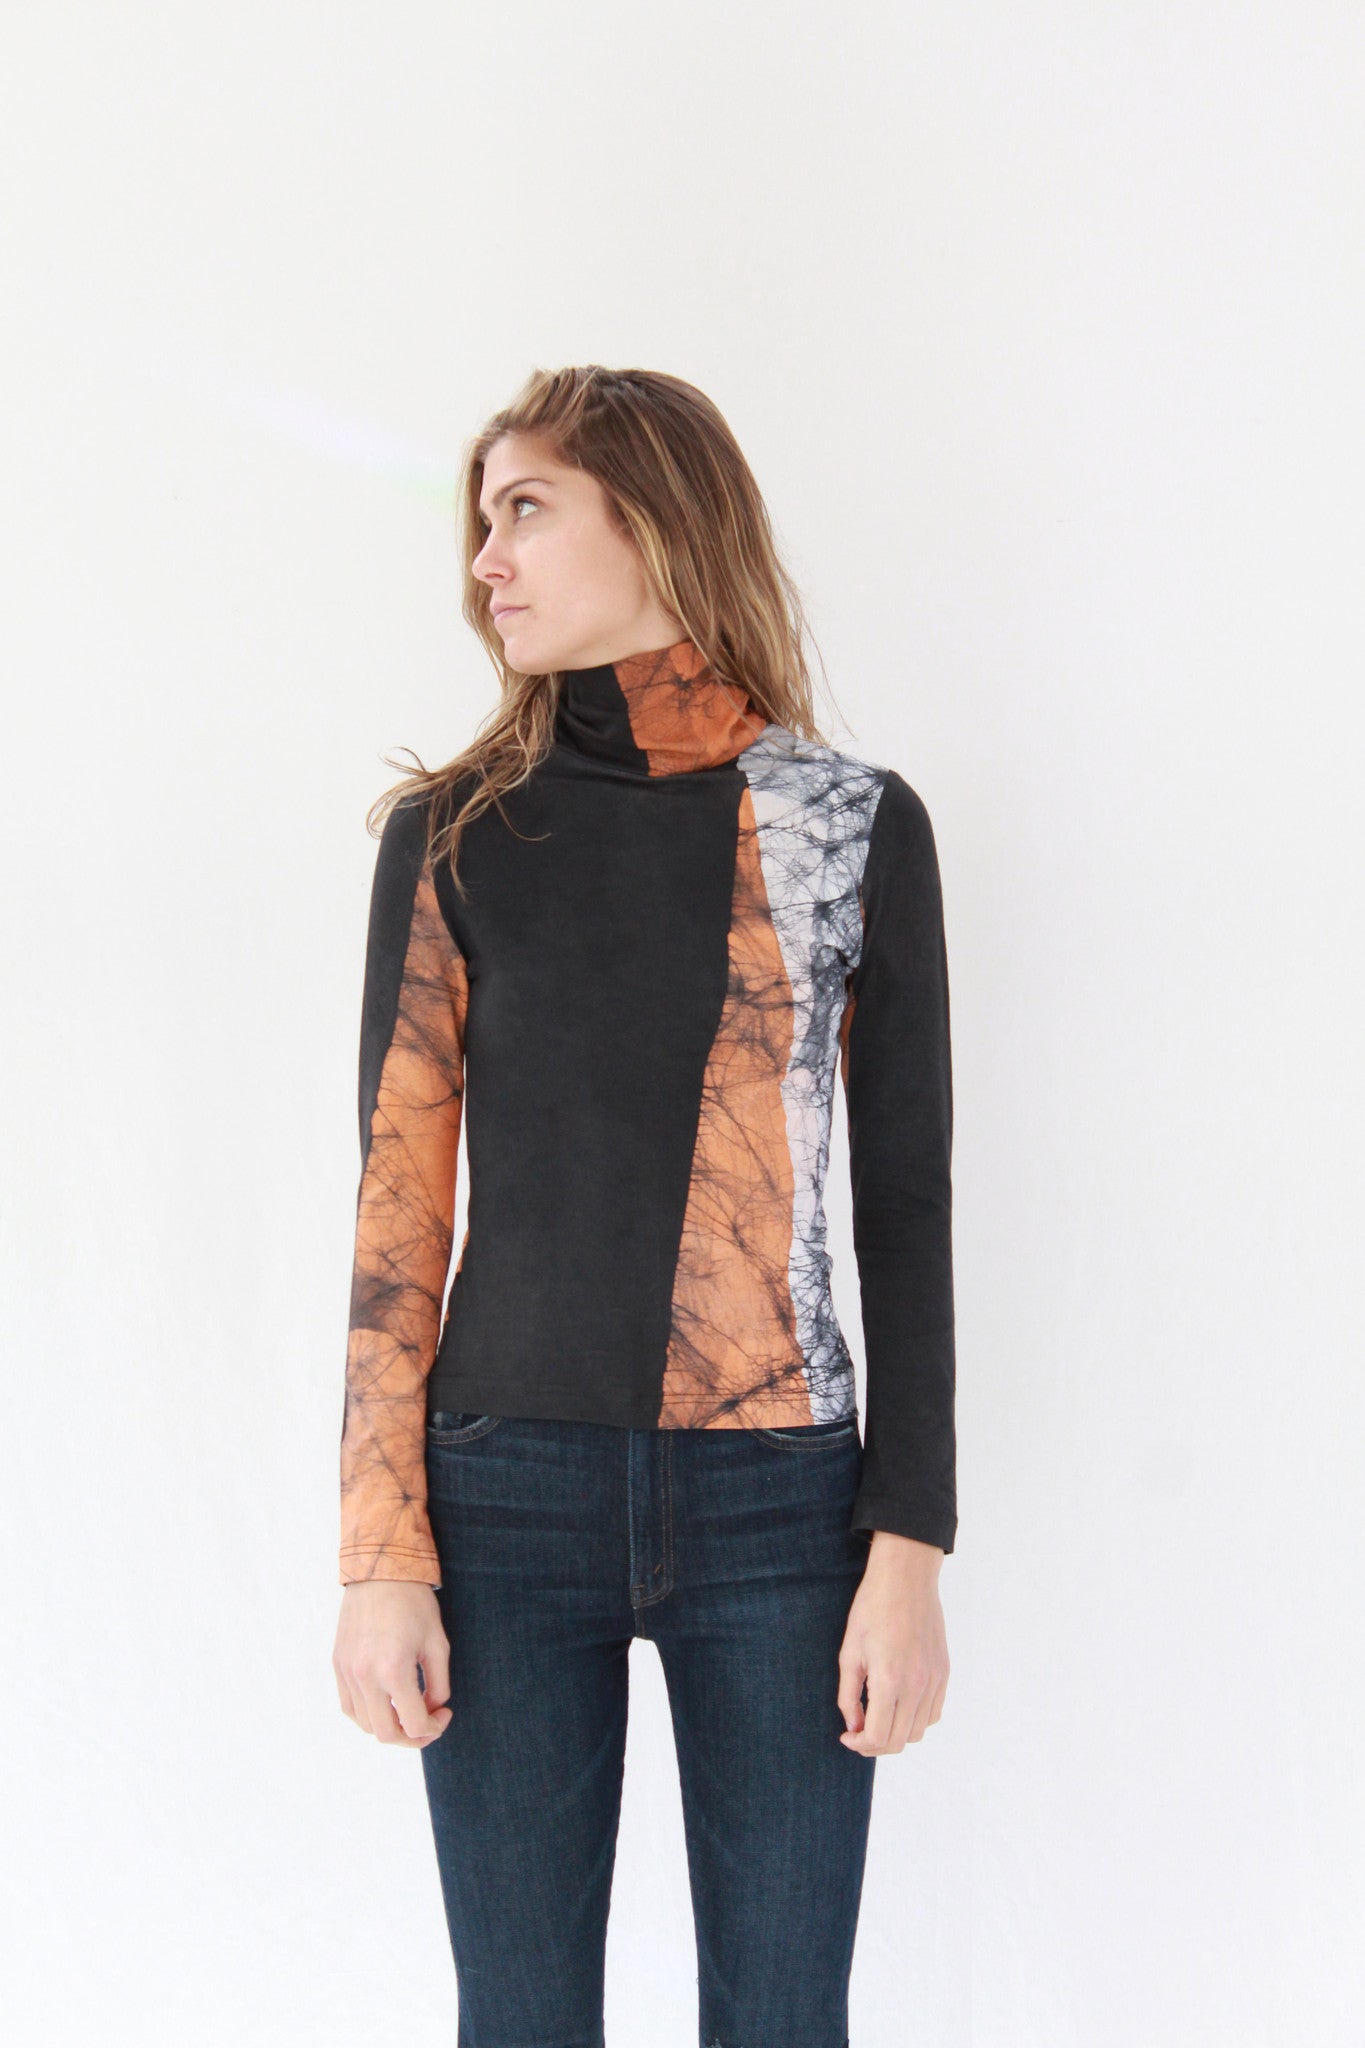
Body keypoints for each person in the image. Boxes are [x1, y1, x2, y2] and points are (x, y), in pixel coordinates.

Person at [331, 364, 956, 2048]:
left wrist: (907, 1547)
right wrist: (381, 1558)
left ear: (658, 521)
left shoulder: (847, 825)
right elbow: (397, 1221)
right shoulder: (452, 836)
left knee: (784, 2018)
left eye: (524, 509)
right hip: (501, 1501)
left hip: (781, 1505)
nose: (485, 559)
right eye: (480, 521)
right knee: (520, 2018)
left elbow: (902, 1207)